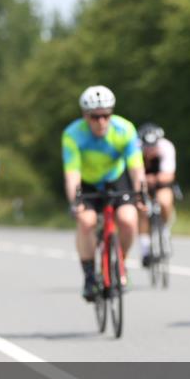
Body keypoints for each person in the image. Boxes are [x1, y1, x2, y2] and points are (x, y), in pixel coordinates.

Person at [62, 85, 146, 301]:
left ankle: (121, 263)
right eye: (95, 117)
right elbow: (72, 174)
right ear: (85, 116)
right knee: (86, 221)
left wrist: (141, 192)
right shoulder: (73, 135)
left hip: (116, 180)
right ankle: (90, 276)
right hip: (88, 184)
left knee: (128, 220)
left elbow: (136, 167)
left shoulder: (125, 130)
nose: (101, 122)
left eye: (106, 116)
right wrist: (75, 200)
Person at [137, 123, 176, 266]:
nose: (149, 150)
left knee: (164, 201)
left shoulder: (166, 147)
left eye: (153, 146)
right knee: (142, 209)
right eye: (146, 147)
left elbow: (169, 175)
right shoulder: (134, 148)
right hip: (141, 182)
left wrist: (153, 179)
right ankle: (145, 249)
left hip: (161, 181)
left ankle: (165, 230)